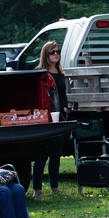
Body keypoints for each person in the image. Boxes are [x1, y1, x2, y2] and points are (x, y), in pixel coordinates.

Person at [32, 40, 68, 198]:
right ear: (45, 54)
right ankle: (37, 189)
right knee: (41, 152)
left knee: (56, 152)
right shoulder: (39, 73)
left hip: (59, 116)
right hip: (44, 117)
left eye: (57, 52)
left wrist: (65, 108)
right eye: (52, 52)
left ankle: (54, 187)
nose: (56, 54)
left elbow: (63, 94)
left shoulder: (60, 73)